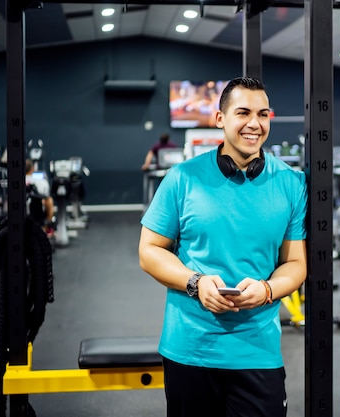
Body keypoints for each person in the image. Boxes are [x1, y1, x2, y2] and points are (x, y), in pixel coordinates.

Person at [138, 76, 308, 417]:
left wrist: (267, 289)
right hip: (190, 347)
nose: (254, 124)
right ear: (220, 119)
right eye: (243, 113)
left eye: (263, 114)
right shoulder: (182, 178)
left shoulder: (291, 183)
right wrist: (195, 283)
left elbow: (296, 263)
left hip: (258, 350)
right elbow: (150, 250)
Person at [25, 159, 55, 235]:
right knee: (49, 200)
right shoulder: (39, 181)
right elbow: (46, 192)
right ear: (32, 169)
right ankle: (47, 225)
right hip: (36, 210)